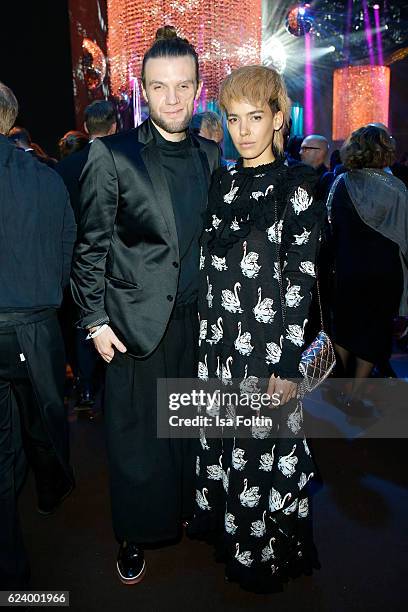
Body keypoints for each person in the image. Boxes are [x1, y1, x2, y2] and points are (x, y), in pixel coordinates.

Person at [70, 26, 220, 585]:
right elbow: (91, 246)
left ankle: (181, 508)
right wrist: (94, 321)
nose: (174, 99)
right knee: (136, 441)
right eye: (161, 88)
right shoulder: (112, 154)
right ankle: (134, 532)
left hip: (196, 324)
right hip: (133, 325)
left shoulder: (211, 154)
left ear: (199, 87)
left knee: (184, 430)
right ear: (143, 90)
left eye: (184, 86)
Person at [188, 65, 324, 593]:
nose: (244, 130)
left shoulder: (298, 189)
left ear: (277, 119)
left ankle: (259, 552)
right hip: (218, 344)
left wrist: (289, 365)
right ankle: (229, 531)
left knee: (258, 448)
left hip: (266, 350)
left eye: (255, 117)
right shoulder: (221, 181)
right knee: (224, 443)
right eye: (234, 118)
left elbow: (301, 282)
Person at [0, 82, 76, 589]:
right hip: (34, 324)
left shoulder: (42, 176)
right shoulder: (44, 177)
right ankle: (49, 493)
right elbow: (69, 243)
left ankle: (12, 564)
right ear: (10, 120)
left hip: (27, 318)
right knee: (44, 418)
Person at [330, 125, 408, 407]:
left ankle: (337, 385)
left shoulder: (341, 182)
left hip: (348, 269)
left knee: (344, 328)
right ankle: (356, 393)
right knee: (374, 331)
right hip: (385, 273)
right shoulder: (397, 188)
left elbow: (331, 228)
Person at [56, 101, 117, 410]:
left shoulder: (66, 167)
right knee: (113, 321)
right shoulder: (123, 160)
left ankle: (86, 388)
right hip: (116, 262)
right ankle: (112, 389)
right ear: (114, 127)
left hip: (76, 261)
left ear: (86, 127)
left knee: (84, 323)